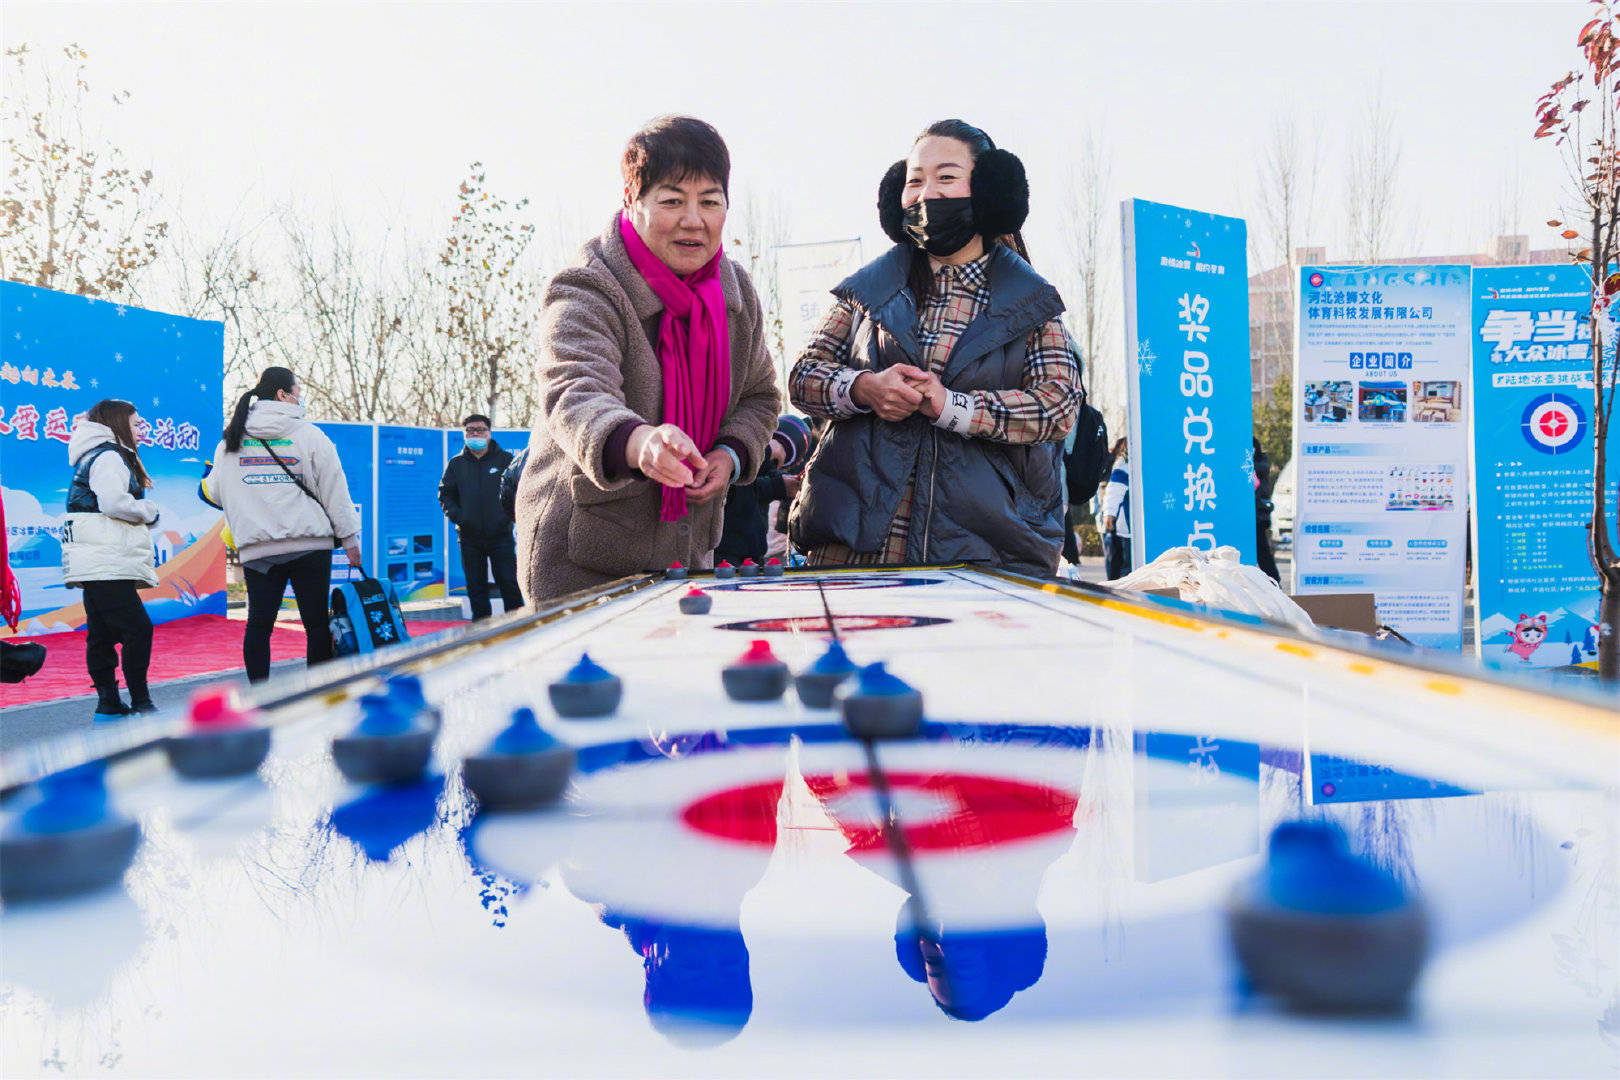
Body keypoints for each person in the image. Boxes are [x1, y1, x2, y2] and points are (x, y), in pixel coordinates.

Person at [787, 120, 1081, 575]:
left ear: (989, 189)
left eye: (946, 177)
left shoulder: (1030, 302)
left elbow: (1058, 404)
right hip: (851, 546)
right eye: (915, 180)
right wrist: (864, 388)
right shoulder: (868, 290)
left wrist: (954, 407)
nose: (927, 194)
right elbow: (804, 376)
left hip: (980, 554)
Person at [514, 116, 780, 603]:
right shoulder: (587, 286)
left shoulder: (736, 292)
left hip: (687, 556)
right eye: (672, 200)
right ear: (631, 202)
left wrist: (731, 454)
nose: (693, 220)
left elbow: (760, 396)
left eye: (710, 202)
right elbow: (575, 391)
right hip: (581, 561)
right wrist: (641, 444)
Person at [209, 367, 362, 682]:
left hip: (258, 550)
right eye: (298, 390)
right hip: (309, 546)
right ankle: (317, 692)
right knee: (316, 624)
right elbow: (335, 491)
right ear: (282, 394)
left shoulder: (231, 440)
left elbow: (215, 492)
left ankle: (261, 698)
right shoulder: (309, 435)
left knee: (258, 625)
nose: (300, 397)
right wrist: (350, 540)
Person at [61, 400, 161, 717]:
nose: (140, 430)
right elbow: (114, 503)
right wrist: (149, 511)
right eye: (135, 424)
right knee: (138, 630)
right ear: (118, 424)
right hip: (105, 561)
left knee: (102, 634)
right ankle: (142, 702)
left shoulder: (97, 454)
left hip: (97, 561)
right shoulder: (108, 456)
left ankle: (108, 702)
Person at [439, 414, 523, 620]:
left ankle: (518, 628)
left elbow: (518, 491)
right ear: (464, 434)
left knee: (510, 585)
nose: (475, 434)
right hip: (469, 538)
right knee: (476, 588)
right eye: (470, 430)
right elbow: (445, 494)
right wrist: (460, 517)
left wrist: (507, 518)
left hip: (501, 536)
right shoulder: (456, 464)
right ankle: (482, 633)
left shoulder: (505, 460)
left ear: (489, 433)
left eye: (480, 429)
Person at [715, 415, 810, 567]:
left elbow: (768, 478)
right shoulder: (745, 451)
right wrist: (777, 484)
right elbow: (736, 489)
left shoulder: (766, 465)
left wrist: (785, 482)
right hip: (726, 553)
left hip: (751, 554)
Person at [1101, 438, 1131, 581]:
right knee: (1127, 565)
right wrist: (1109, 513)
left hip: (1130, 526)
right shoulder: (1124, 467)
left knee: (1129, 563)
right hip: (1127, 525)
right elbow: (1114, 491)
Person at [1253, 436, 1280, 584]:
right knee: (1260, 551)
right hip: (1254, 516)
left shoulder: (1260, 465)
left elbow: (1261, 472)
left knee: (1262, 552)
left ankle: (1273, 580)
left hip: (1258, 516)